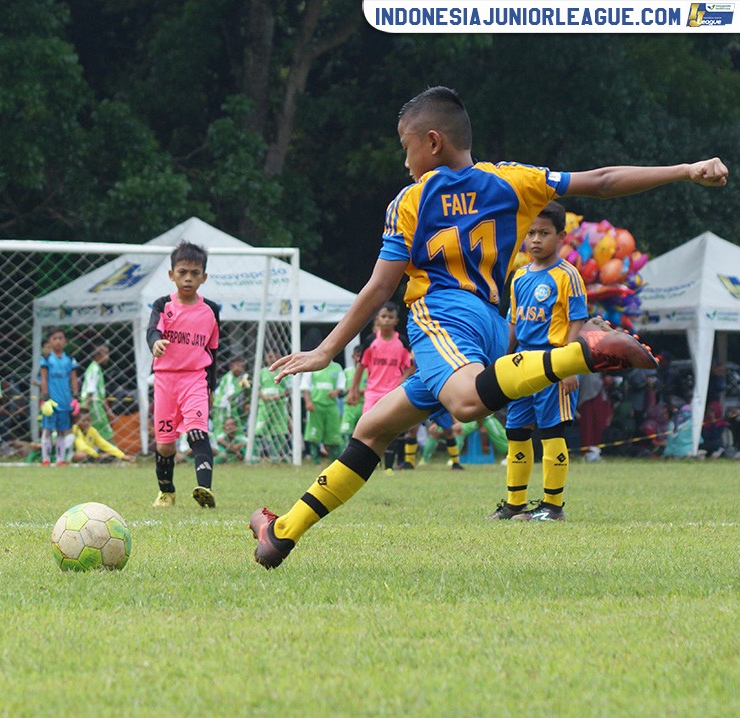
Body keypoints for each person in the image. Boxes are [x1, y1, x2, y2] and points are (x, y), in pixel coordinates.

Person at [251, 85, 728, 568]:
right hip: (490, 322)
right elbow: (603, 180)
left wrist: (327, 349)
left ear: (432, 142)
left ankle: (585, 350)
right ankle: (281, 534)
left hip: (441, 316)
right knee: (373, 429)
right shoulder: (515, 181)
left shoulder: (411, 200)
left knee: (464, 402)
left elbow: (379, 288)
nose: (404, 159)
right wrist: (687, 170)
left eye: (405, 146)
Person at [487, 201, 587, 520]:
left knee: (551, 432)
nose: (536, 240)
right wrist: (498, 360)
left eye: (544, 233)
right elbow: (513, 325)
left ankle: (552, 507)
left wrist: (568, 364)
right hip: (521, 365)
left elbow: (577, 322)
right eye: (530, 233)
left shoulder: (568, 275)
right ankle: (515, 503)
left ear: (561, 236)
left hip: (554, 363)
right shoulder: (518, 278)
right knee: (516, 431)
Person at [147, 241, 220, 508]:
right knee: (166, 446)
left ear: (204, 277)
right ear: (171, 274)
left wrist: (211, 387)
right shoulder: (162, 305)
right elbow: (152, 331)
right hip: (165, 381)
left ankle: (205, 490)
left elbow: (212, 354)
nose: (188, 278)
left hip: (195, 380)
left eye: (194, 273)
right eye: (182, 272)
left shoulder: (211, 310)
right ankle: (166, 492)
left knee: (197, 432)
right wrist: (155, 342)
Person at [349, 304, 413, 472]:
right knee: (366, 427)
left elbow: (410, 366)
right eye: (383, 316)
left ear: (396, 321)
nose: (386, 320)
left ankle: (389, 467)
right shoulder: (371, 341)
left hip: (392, 392)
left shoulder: (402, 342)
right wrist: (353, 389)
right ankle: (364, 464)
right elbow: (361, 366)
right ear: (377, 319)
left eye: (390, 317)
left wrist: (402, 381)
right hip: (372, 393)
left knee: (391, 428)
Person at [39, 327, 79, 466]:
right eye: (54, 338)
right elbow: (43, 378)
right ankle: (45, 459)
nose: (57, 341)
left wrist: (75, 396)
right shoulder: (46, 359)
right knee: (47, 429)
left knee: (62, 431)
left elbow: (73, 379)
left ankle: (60, 459)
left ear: (65, 341)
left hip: (65, 401)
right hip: (51, 401)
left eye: (60, 338)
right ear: (50, 341)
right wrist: (45, 397)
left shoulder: (70, 359)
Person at [302, 360, 346, 465]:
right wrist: (308, 401)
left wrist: (336, 391)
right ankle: (315, 461)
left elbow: (342, 386)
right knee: (314, 434)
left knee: (333, 433)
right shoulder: (312, 364)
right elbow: (305, 386)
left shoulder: (337, 367)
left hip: (331, 406)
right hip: (316, 404)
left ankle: (335, 461)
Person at [71, 408, 135, 463]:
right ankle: (97, 459)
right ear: (77, 421)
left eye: (89, 420)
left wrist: (122, 456)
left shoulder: (92, 430)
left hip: (91, 454)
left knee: (110, 453)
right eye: (84, 421)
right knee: (79, 454)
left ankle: (98, 460)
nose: (87, 423)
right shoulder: (75, 429)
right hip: (79, 453)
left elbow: (104, 444)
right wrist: (97, 455)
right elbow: (81, 446)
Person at [81, 343, 115, 440]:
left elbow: (100, 395)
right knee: (106, 432)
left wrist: (108, 411)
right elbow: (90, 392)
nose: (108, 357)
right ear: (98, 355)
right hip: (93, 406)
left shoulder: (96, 368)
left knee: (93, 433)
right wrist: (85, 412)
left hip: (97, 405)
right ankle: (113, 453)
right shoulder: (94, 369)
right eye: (106, 354)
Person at [339, 344, 367, 448]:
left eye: (361, 356)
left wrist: (360, 391)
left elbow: (372, 387)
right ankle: (344, 456)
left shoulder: (368, 372)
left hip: (363, 405)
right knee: (346, 432)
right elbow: (341, 388)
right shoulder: (347, 372)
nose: (358, 359)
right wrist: (352, 390)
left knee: (363, 433)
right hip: (349, 406)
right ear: (353, 356)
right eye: (357, 356)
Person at [213, 355, 250, 429]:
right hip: (222, 405)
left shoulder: (236, 378)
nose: (240, 368)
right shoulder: (229, 377)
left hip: (230, 406)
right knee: (221, 425)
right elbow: (231, 394)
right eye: (237, 366)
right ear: (231, 366)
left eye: (242, 366)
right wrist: (241, 386)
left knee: (233, 425)